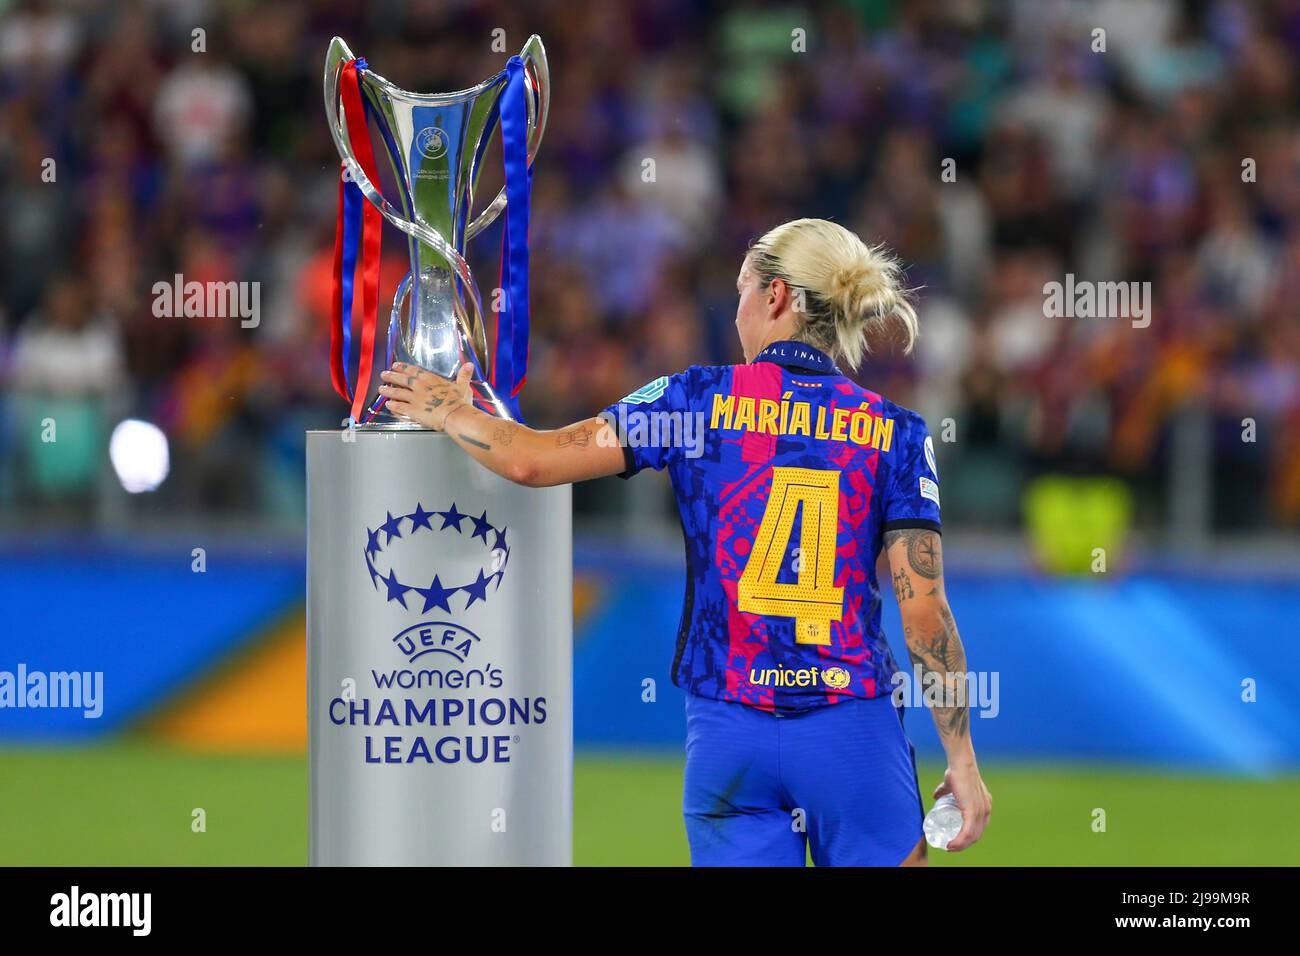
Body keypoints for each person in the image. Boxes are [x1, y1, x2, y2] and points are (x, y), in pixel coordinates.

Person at [378, 218, 991, 866]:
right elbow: (925, 612)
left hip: (729, 730)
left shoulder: (691, 399)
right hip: (851, 730)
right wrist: (962, 759)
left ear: (778, 297)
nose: (738, 312)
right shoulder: (895, 431)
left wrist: (451, 409)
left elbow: (534, 462)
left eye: (743, 291)